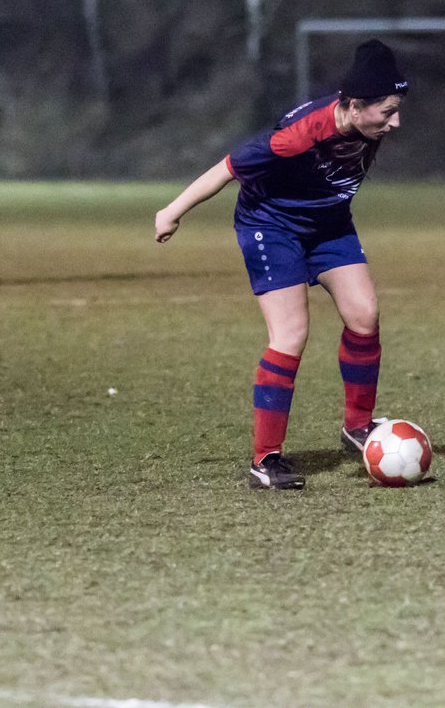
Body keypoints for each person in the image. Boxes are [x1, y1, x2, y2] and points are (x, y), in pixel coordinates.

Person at [155, 39, 409, 490]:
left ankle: (358, 426)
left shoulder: (362, 122)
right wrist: (173, 210)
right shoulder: (300, 135)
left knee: (364, 316)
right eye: (387, 111)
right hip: (271, 227)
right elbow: (228, 167)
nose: (396, 122)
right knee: (291, 334)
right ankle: (265, 460)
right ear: (352, 106)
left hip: (329, 224)